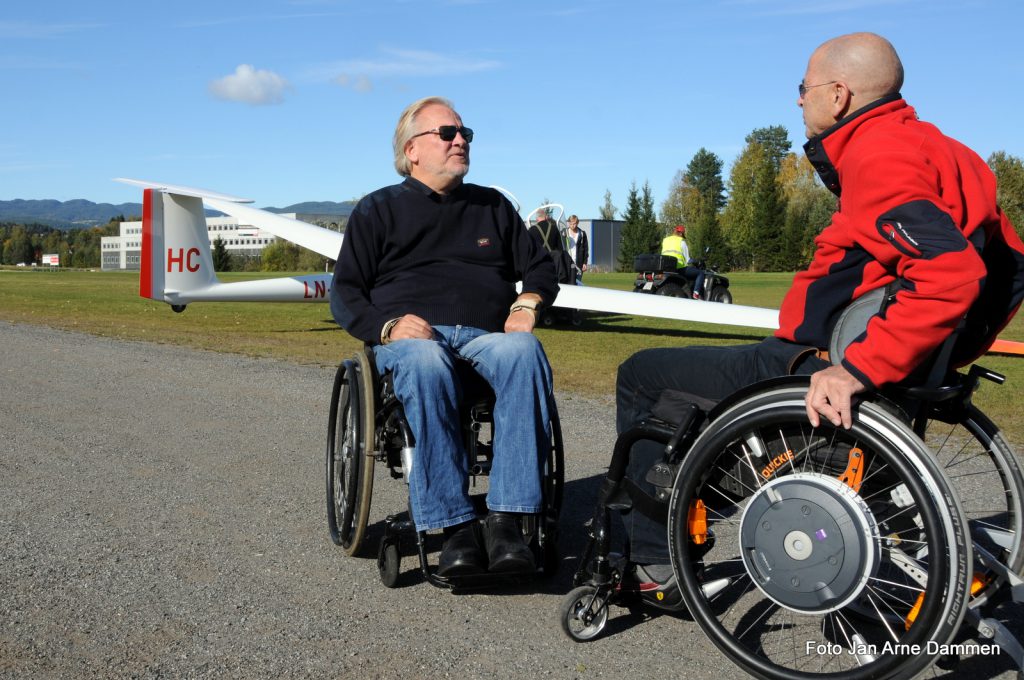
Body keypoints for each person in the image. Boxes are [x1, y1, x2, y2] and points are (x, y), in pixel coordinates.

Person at [616, 32, 1024, 595]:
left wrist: (861, 368)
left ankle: (650, 561)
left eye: (802, 88)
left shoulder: (877, 155)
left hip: (812, 358)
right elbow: (1010, 265)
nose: (798, 100)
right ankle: (695, 503)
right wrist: (940, 356)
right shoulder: (943, 149)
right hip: (860, 355)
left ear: (838, 94)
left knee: (642, 375)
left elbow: (951, 273)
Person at [330, 96, 560, 577]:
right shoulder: (378, 211)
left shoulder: (492, 207)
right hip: (411, 341)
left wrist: (527, 302)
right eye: (448, 134)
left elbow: (541, 266)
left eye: (465, 134)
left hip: (485, 338)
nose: (461, 141)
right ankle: (452, 524)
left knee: (525, 350)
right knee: (427, 362)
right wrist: (388, 328)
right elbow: (346, 293)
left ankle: (507, 520)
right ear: (412, 150)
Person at [660, 224, 705, 299]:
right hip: (679, 268)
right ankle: (696, 293)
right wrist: (697, 261)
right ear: (681, 233)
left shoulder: (665, 240)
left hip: (666, 268)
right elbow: (688, 260)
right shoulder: (681, 242)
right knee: (700, 273)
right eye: (682, 234)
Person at [561, 214, 589, 284]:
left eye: (575, 224)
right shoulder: (564, 232)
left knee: (578, 283)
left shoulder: (582, 234)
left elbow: (586, 249)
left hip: (578, 264)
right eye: (571, 224)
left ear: (577, 223)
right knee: (567, 283)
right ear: (569, 223)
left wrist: (585, 263)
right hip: (567, 263)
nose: (573, 225)